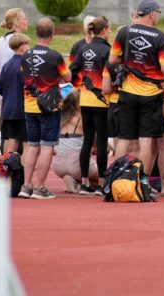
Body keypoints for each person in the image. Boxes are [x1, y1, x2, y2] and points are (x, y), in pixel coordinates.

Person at [111, 0, 164, 176]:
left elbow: (112, 60)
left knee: (123, 139)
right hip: (151, 94)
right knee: (145, 140)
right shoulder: (160, 37)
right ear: (152, 13)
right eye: (158, 13)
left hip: (127, 91)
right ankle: (141, 181)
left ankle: (115, 178)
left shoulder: (125, 31)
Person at [19, 18, 70, 200]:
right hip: (49, 106)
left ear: (36, 33)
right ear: (52, 34)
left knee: (32, 146)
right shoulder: (55, 56)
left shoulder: (25, 55)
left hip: (30, 104)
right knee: (47, 146)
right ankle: (40, 187)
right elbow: (67, 77)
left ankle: (26, 185)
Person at [70, 16, 111, 195]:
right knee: (101, 142)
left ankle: (85, 183)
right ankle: (102, 183)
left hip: (85, 100)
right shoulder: (108, 50)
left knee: (87, 141)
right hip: (102, 101)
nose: (110, 32)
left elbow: (72, 71)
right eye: (109, 29)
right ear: (103, 31)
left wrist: (78, 87)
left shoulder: (83, 48)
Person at [53, 91, 98, 194]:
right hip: (77, 164)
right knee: (104, 178)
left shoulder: (59, 119)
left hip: (58, 165)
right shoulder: (82, 119)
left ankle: (72, 179)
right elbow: (94, 145)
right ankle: (80, 179)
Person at [0, 32, 29, 155]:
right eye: (27, 44)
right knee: (27, 143)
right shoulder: (26, 64)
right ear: (22, 46)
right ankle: (25, 170)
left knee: (10, 140)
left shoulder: (6, 65)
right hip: (22, 109)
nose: (29, 47)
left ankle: (6, 168)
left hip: (8, 109)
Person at [0, 7, 27, 79]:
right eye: (24, 19)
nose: (27, 21)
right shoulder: (23, 42)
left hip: (3, 87)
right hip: (18, 86)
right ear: (16, 22)